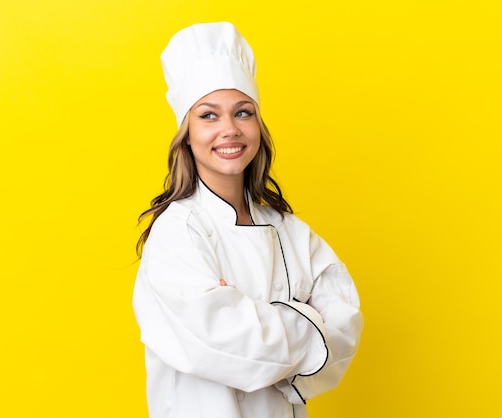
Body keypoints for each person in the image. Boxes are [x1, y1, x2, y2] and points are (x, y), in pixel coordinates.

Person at [132, 22, 363, 418]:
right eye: (209, 115)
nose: (230, 130)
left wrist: (257, 316)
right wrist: (306, 316)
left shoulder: (290, 231)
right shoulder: (177, 233)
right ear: (187, 134)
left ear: (258, 126)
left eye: (243, 112)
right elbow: (224, 340)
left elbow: (346, 324)